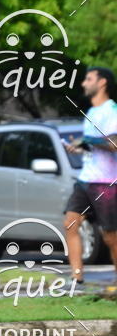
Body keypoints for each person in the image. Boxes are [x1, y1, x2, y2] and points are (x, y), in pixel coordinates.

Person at [63, 66, 117, 284]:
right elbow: (96, 145)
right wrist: (80, 148)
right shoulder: (92, 113)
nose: (84, 83)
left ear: (102, 83)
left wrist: (87, 141)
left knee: (110, 237)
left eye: (88, 79)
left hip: (106, 183)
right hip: (86, 179)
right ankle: (77, 278)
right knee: (70, 223)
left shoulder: (111, 111)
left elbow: (113, 143)